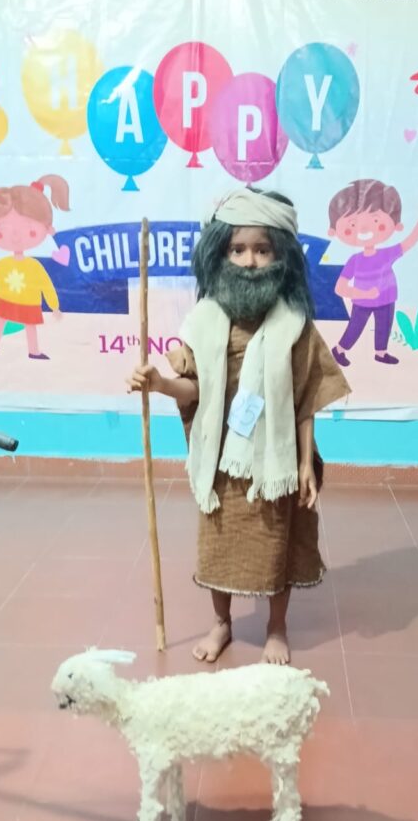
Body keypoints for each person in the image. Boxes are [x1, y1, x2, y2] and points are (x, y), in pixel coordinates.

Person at [127, 187, 350, 665]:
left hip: (274, 461)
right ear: (220, 254)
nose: (250, 260)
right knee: (218, 546)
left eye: (262, 249)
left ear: (281, 256)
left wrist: (304, 463)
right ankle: (222, 622)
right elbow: (195, 391)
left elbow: (306, 399)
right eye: (238, 249)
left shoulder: (295, 325)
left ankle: (276, 626)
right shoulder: (204, 322)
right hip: (222, 459)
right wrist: (160, 384)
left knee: (276, 547)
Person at [327, 179, 418, 367]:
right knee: (355, 327)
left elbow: (410, 241)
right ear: (334, 231)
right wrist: (363, 294)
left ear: (396, 225)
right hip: (362, 302)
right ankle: (339, 349)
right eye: (352, 224)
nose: (364, 229)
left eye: (375, 220)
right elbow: (339, 288)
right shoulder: (355, 260)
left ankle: (380, 353)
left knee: (384, 326)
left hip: (386, 299)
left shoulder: (386, 254)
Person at [0, 175, 69, 359]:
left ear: (47, 229)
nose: (16, 236)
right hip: (6, 300)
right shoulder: (5, 264)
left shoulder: (33, 266)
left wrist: (55, 306)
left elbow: (46, 285)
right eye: (1, 232)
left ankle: (33, 351)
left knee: (28, 326)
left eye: (30, 230)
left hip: (29, 303)